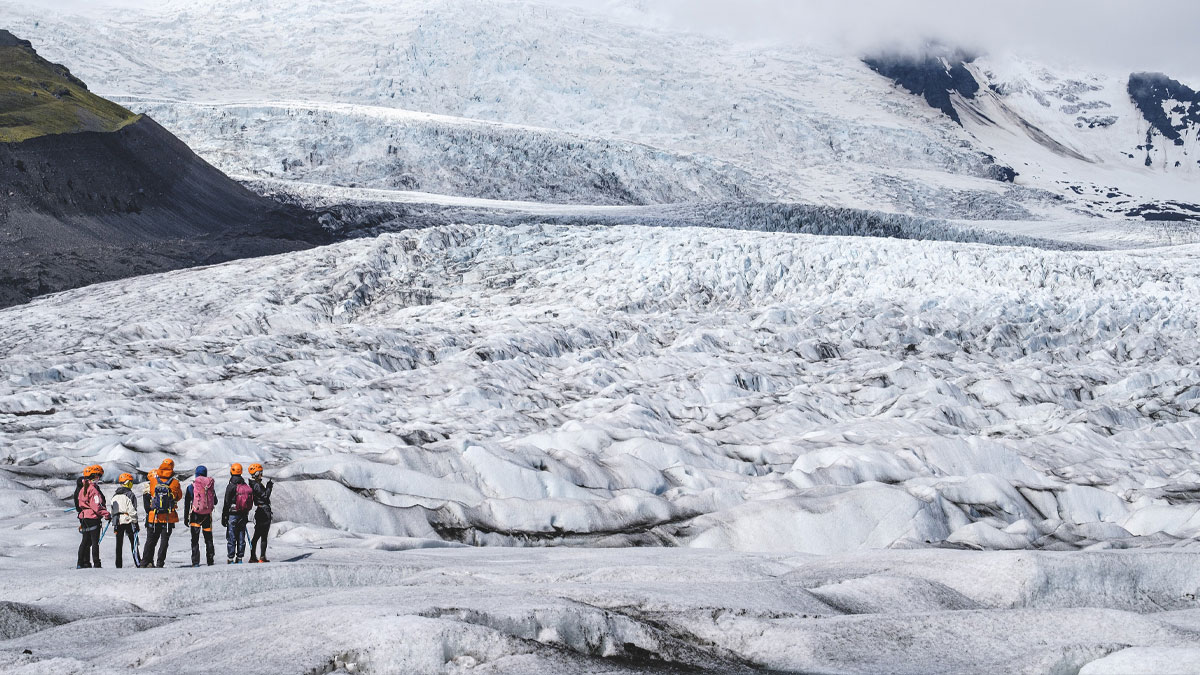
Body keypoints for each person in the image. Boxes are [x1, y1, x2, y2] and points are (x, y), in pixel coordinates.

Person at [139, 459, 183, 568]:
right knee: (164, 541)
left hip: (154, 516)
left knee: (151, 540)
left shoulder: (153, 481)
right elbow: (179, 497)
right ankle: (160, 563)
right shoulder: (175, 482)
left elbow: (150, 495)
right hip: (169, 516)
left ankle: (145, 562)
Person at [76, 465, 110, 568]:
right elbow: (96, 506)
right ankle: (97, 563)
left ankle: (80, 563)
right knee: (95, 542)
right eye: (98, 476)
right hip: (93, 518)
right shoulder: (93, 490)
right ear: (94, 476)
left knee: (85, 542)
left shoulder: (83, 489)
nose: (99, 478)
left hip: (84, 517)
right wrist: (106, 514)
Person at [184, 465, 219, 567]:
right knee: (208, 539)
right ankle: (210, 560)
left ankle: (195, 562)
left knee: (195, 540)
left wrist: (186, 518)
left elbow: (187, 504)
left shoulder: (191, 487)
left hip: (195, 516)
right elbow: (215, 501)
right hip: (207, 516)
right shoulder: (209, 486)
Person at [222, 463, 253, 564]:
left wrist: (224, 516)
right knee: (241, 536)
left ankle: (230, 558)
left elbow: (226, 502)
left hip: (233, 514)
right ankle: (239, 558)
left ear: (231, 471)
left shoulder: (231, 486)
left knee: (231, 536)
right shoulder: (244, 484)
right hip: (243, 514)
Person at [110, 473, 140, 569]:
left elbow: (113, 509)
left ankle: (118, 565)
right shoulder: (130, 495)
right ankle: (138, 562)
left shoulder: (115, 495)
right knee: (133, 542)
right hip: (128, 520)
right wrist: (135, 522)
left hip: (118, 521)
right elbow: (133, 510)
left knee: (119, 544)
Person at [247, 463, 273, 563]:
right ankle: (262, 557)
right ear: (257, 473)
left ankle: (253, 556)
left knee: (257, 534)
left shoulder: (253, 484)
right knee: (263, 535)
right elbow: (265, 496)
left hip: (259, 511)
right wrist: (269, 487)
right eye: (260, 472)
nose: (261, 474)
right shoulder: (257, 485)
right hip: (264, 511)